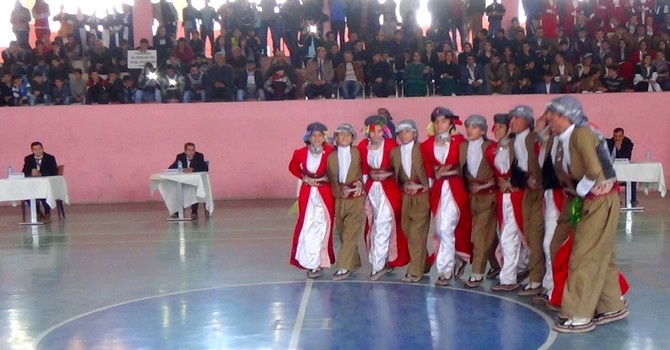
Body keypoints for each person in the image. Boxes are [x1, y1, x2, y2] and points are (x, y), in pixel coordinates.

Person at [545, 95, 628, 333]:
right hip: (589, 200)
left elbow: (593, 169)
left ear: (566, 116)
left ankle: (579, 314)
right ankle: (612, 305)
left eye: (553, 114)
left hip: (599, 200)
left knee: (584, 256)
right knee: (601, 255)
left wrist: (581, 189)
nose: (549, 118)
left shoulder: (581, 133)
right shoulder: (564, 138)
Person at [421, 107, 473, 286]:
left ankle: (445, 270)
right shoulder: (427, 145)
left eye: (443, 121)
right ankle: (456, 259)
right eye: (436, 121)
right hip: (438, 191)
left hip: (456, 189)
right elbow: (428, 169)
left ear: (451, 122)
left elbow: (467, 165)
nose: (439, 124)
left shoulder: (460, 142)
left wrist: (452, 170)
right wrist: (434, 176)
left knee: (446, 229)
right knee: (442, 230)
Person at [359, 115, 410, 280]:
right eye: (373, 131)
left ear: (385, 131)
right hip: (372, 191)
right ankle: (383, 259)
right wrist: (365, 186)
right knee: (375, 225)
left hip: (389, 190)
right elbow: (364, 169)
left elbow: (400, 168)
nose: (376, 134)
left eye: (379, 131)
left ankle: (378, 265)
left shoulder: (392, 146)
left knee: (383, 223)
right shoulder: (362, 146)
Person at [288, 123, 336, 279]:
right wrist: (304, 178)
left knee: (323, 226)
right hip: (307, 193)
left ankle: (320, 261)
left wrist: (327, 179)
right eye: (313, 136)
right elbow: (292, 167)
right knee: (307, 226)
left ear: (324, 137)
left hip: (325, 193)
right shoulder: (299, 153)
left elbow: (337, 169)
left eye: (319, 136)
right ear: (308, 137)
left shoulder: (330, 152)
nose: (316, 139)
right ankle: (310, 262)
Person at [508, 106, 546, 297]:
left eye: (517, 118)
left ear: (528, 121)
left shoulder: (535, 138)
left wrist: (537, 180)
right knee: (530, 234)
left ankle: (537, 279)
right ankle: (536, 275)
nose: (512, 122)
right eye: (511, 118)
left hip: (540, 192)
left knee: (538, 234)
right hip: (527, 191)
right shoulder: (513, 141)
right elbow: (516, 168)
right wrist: (526, 179)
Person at [460, 115, 500, 288]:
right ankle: (499, 264)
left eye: (475, 127)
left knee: (479, 235)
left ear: (483, 130)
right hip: (471, 197)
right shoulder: (463, 147)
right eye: (468, 126)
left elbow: (500, 168)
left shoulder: (490, 146)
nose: (470, 130)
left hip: (488, 197)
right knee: (487, 234)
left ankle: (477, 272)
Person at [389, 120, 432, 283]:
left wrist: (429, 189)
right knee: (408, 231)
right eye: (400, 132)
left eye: (407, 131)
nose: (403, 135)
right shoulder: (394, 152)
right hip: (406, 196)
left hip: (422, 195)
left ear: (414, 133)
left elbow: (429, 169)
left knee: (416, 233)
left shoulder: (422, 149)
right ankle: (424, 262)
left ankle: (415, 271)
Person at [327, 123, 366, 281]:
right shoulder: (330, 157)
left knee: (351, 233)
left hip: (356, 198)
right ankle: (354, 262)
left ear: (352, 139)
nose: (344, 137)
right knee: (343, 233)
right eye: (341, 135)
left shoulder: (358, 153)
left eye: (348, 135)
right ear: (335, 138)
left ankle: (343, 266)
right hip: (339, 198)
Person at [169, 142, 209, 219]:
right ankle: (177, 211)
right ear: (185, 151)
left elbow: (205, 168)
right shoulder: (180, 156)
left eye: (193, 150)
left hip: (195, 182)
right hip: (183, 181)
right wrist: (182, 169)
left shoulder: (199, 156)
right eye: (189, 150)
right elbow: (172, 167)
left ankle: (194, 211)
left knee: (194, 189)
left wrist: (193, 170)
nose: (191, 152)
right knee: (175, 188)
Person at [22, 142, 58, 222]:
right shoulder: (28, 158)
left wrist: (40, 173)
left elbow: (53, 172)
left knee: (45, 193)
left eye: (39, 148)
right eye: (35, 149)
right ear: (32, 151)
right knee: (26, 194)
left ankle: (47, 212)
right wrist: (31, 172)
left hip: (46, 184)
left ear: (43, 148)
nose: (37, 151)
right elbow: (24, 171)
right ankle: (38, 212)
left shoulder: (50, 158)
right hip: (33, 185)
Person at [606, 127, 637, 206]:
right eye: (615, 136)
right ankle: (615, 201)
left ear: (623, 136)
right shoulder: (608, 142)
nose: (617, 138)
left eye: (619, 136)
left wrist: (618, 148)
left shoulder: (628, 143)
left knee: (632, 179)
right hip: (611, 170)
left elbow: (627, 158)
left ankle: (632, 201)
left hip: (623, 170)